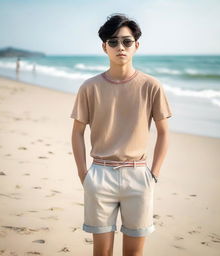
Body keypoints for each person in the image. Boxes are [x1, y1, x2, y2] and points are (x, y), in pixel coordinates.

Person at [70, 13, 172, 256]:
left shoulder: (151, 86)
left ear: (136, 45)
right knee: (101, 253)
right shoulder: (90, 86)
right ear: (104, 47)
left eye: (126, 41)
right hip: (99, 175)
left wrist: (153, 175)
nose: (120, 47)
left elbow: (164, 133)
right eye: (113, 42)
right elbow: (77, 133)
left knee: (133, 253)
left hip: (139, 176)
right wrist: (84, 174)